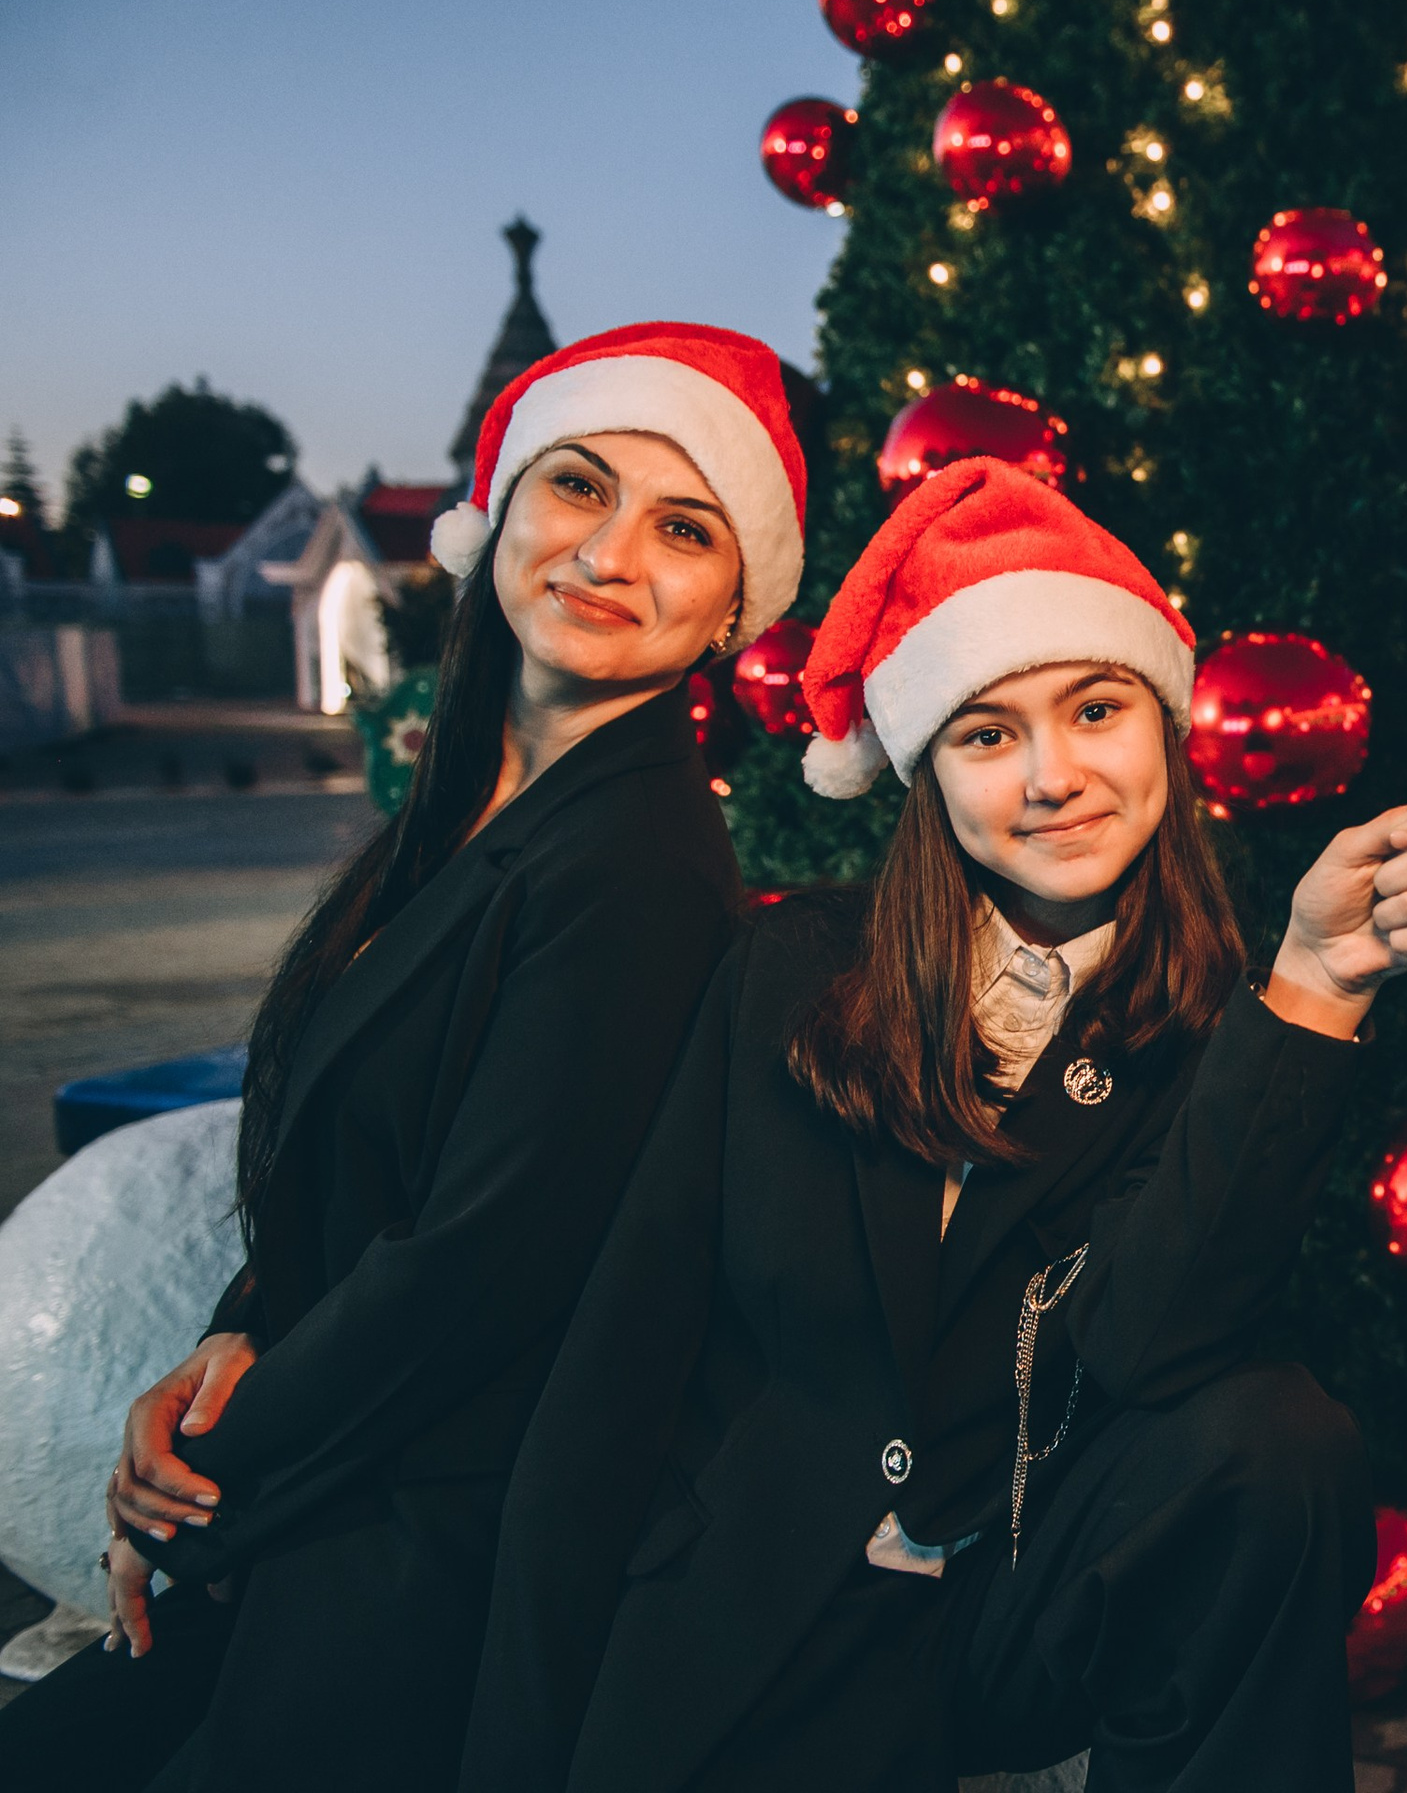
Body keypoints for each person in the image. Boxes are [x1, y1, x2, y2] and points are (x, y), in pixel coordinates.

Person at [460, 459, 1407, 1793]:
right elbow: (624, 1336)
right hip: (746, 1610)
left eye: (1096, 710)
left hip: (999, 1616)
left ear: (1160, 727)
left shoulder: (1207, 1028)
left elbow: (1147, 1347)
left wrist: (1316, 989)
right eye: (989, 734)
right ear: (927, 770)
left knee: (1273, 1441)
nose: (1055, 776)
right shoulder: (791, 970)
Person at [0, 323, 809, 1793]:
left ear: (733, 605)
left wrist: (200, 1497)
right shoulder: (464, 823)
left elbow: (481, 1264)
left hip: (423, 1549)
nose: (610, 554)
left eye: (682, 527)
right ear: (495, 515)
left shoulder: (638, 864)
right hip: (336, 1480)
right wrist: (230, 1340)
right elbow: (352, 1165)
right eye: (578, 488)